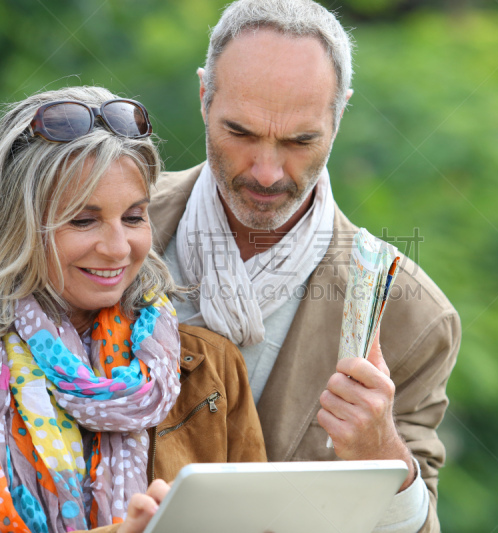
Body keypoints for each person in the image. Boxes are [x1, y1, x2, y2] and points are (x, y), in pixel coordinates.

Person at [149, 1, 461, 531]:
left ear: (340, 115)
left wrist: (379, 449)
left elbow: (420, 526)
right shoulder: (92, 233)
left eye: (300, 141)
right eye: (241, 133)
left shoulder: (414, 319)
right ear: (204, 97)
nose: (267, 172)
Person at [0, 86, 266, 533]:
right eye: (83, 220)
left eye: (133, 217)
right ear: (14, 225)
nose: (117, 248)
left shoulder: (212, 366)